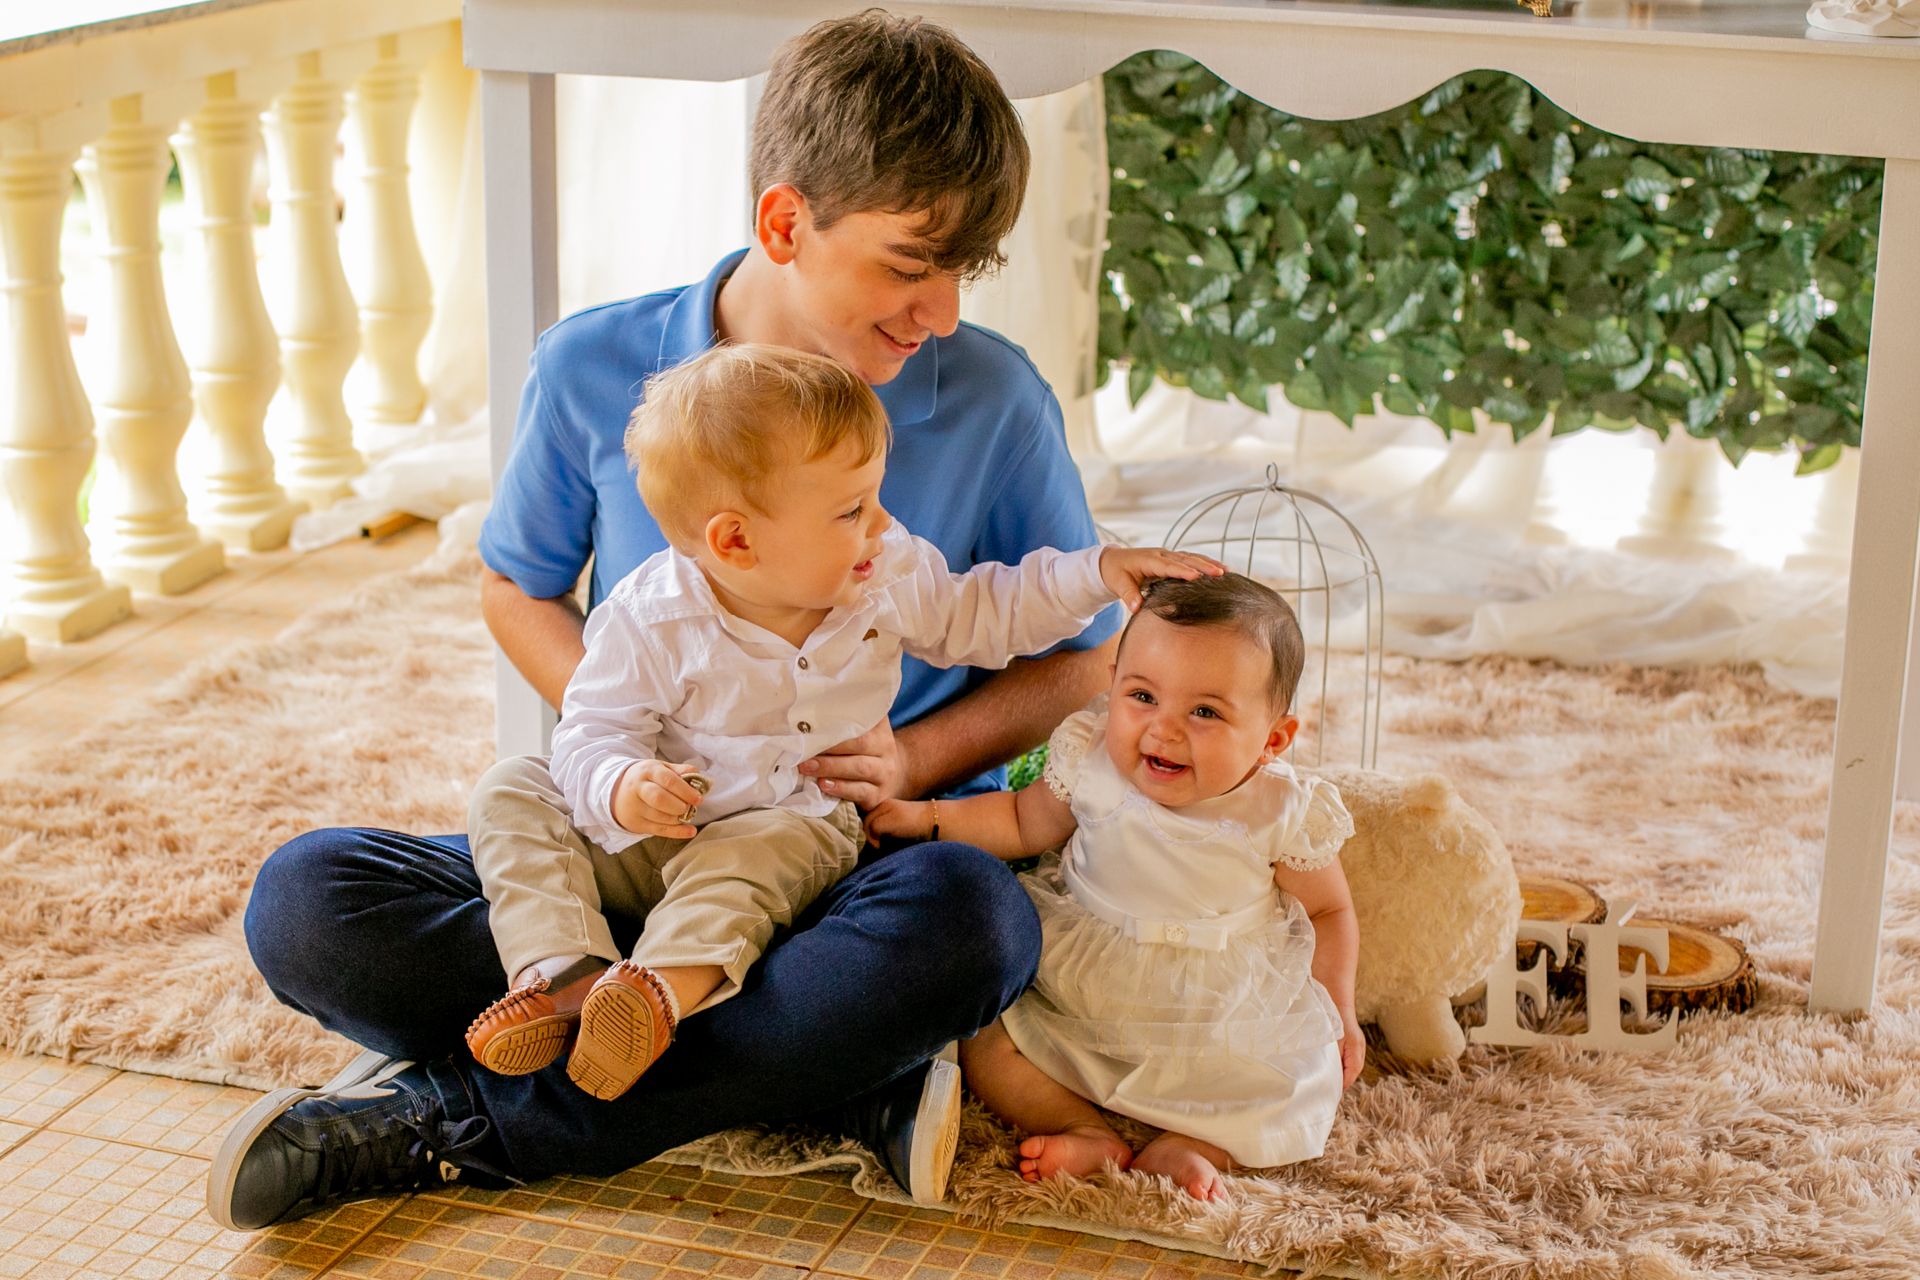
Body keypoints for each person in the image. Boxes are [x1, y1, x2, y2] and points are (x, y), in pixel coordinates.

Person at [209, 9, 1130, 1231]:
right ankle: (829, 1073)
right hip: (626, 846)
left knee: (973, 924)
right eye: (913, 264)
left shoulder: (996, 397)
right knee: (308, 899)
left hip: (834, 860)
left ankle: (441, 1125)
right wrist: (618, 743)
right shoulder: (594, 365)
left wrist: (915, 759)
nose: (944, 312)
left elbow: (1080, 657)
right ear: (785, 222)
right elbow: (514, 583)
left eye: (970, 271)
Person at [461, 343, 1218, 1105]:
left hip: (789, 824)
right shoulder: (649, 616)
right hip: (650, 835)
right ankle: (567, 974)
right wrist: (623, 785)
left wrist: (1096, 571)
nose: (883, 523)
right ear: (734, 542)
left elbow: (985, 612)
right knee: (513, 788)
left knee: (755, 863)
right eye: (852, 509)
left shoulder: (883, 572)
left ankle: (656, 995)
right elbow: (592, 732)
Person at [866, 574, 1369, 1202]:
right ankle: (1082, 1128)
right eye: (1143, 696)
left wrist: (1338, 1006)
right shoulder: (1093, 759)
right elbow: (1022, 821)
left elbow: (1328, 907)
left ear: (1272, 741)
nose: (1164, 730)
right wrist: (929, 817)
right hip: (1083, 969)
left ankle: (1195, 1147)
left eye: (1205, 712)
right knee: (986, 1035)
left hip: (1214, 1000)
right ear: (1113, 687)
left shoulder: (1279, 809)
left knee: (1293, 1079)